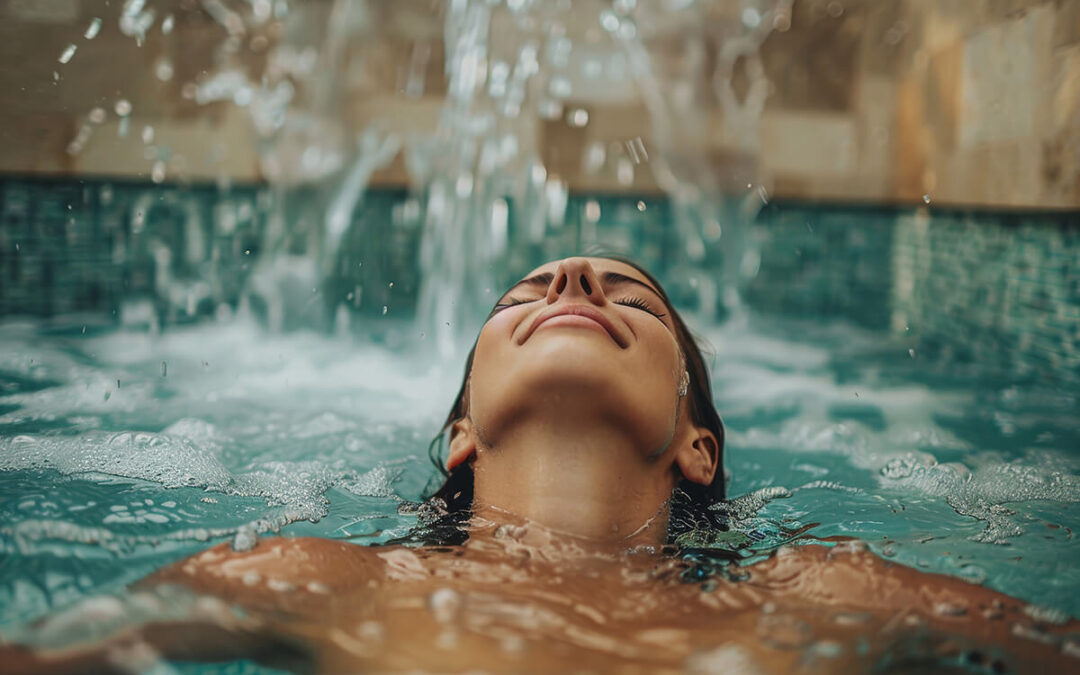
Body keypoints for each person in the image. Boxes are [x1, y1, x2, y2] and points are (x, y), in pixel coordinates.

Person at [6, 257, 1077, 673]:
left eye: (630, 294)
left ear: (697, 443)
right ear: (464, 427)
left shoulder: (828, 591)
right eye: (528, 291)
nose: (571, 277)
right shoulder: (313, 577)